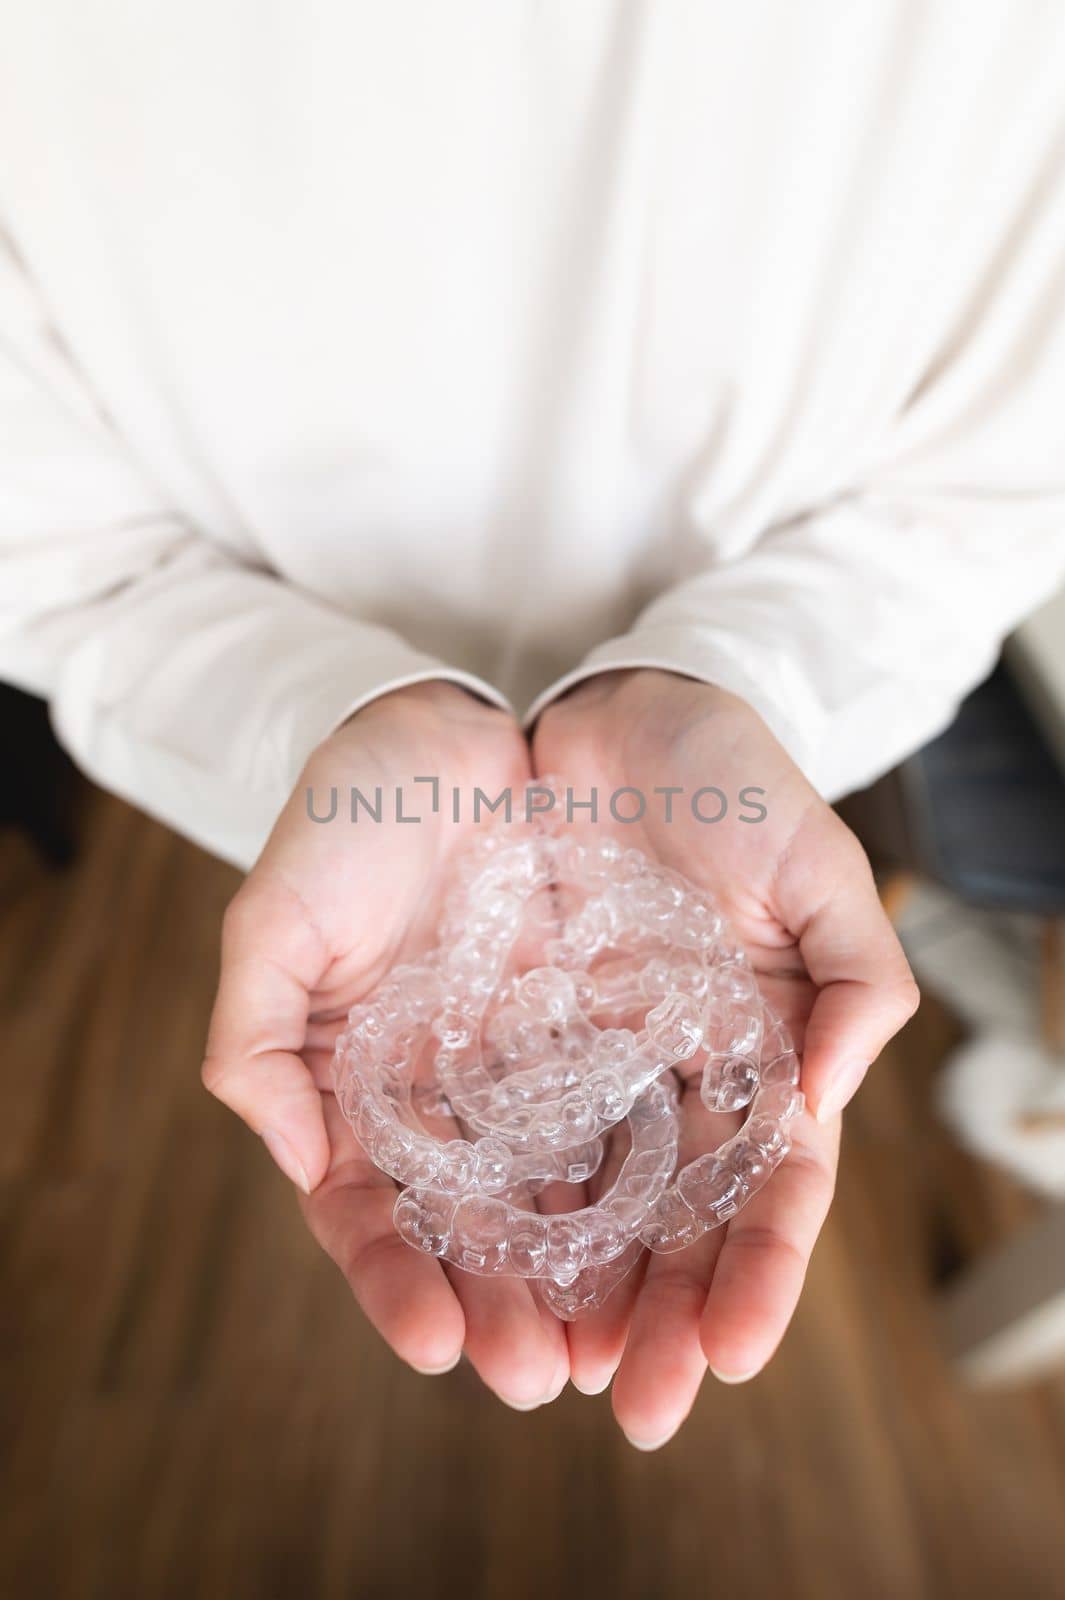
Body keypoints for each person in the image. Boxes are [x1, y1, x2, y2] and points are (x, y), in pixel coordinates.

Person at [2, 3, 1063, 1450]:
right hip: (366, 815)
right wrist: (320, 715)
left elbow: (988, 492)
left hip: (637, 778)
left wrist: (733, 679)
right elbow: (55, 542)